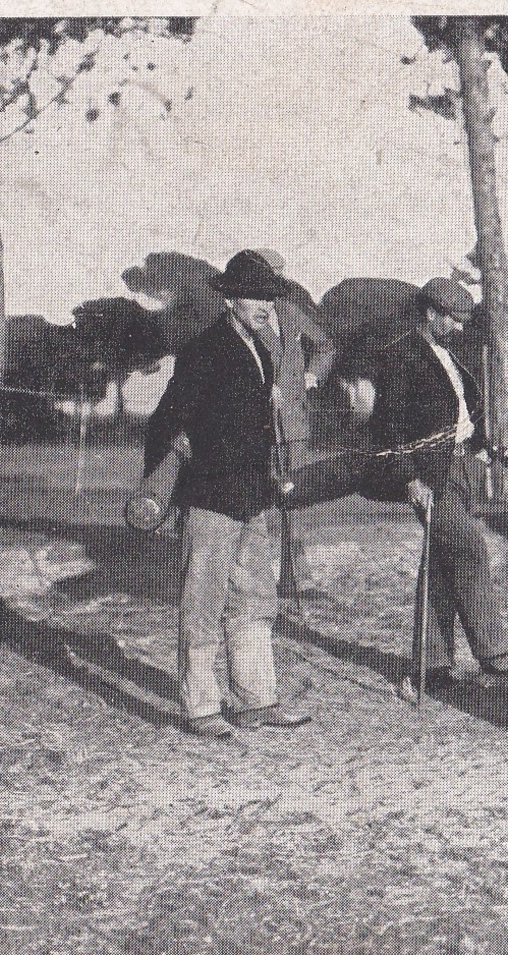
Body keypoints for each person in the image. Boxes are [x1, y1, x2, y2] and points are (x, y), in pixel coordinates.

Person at [145, 249, 313, 738]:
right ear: (230, 300)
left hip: (254, 495)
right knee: (203, 602)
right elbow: (168, 419)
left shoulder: (260, 348)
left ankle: (255, 701)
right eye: (253, 296)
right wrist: (178, 471)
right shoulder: (206, 350)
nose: (264, 304)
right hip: (212, 498)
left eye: (269, 296)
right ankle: (200, 708)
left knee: (255, 600)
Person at [363, 277, 508, 693]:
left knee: (442, 560)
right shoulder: (400, 357)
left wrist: (493, 451)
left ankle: (431, 664)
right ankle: (494, 655)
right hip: (429, 476)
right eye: (454, 319)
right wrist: (409, 479)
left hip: (463, 470)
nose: (461, 328)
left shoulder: (450, 357)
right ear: (431, 314)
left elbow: (464, 418)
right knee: (468, 546)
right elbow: (387, 427)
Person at [251, 248, 336, 595]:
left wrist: (312, 376)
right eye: (271, 273)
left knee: (295, 493)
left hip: (294, 423)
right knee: (256, 498)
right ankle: (255, 579)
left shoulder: (289, 311)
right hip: (256, 425)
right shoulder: (236, 318)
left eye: (279, 273)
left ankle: (295, 576)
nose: (277, 280)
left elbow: (326, 345)